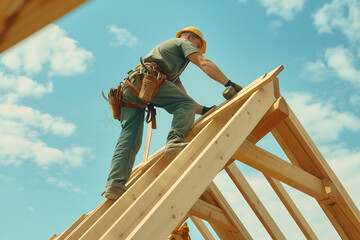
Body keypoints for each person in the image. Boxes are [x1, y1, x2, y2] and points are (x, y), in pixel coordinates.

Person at [104, 26, 242, 200]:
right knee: (183, 106)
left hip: (131, 87)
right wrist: (229, 83)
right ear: (190, 37)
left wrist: (205, 111)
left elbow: (185, 100)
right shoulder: (182, 43)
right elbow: (204, 63)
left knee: (129, 139)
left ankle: (114, 185)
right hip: (148, 79)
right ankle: (174, 141)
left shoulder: (168, 66)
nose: (196, 49)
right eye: (197, 45)